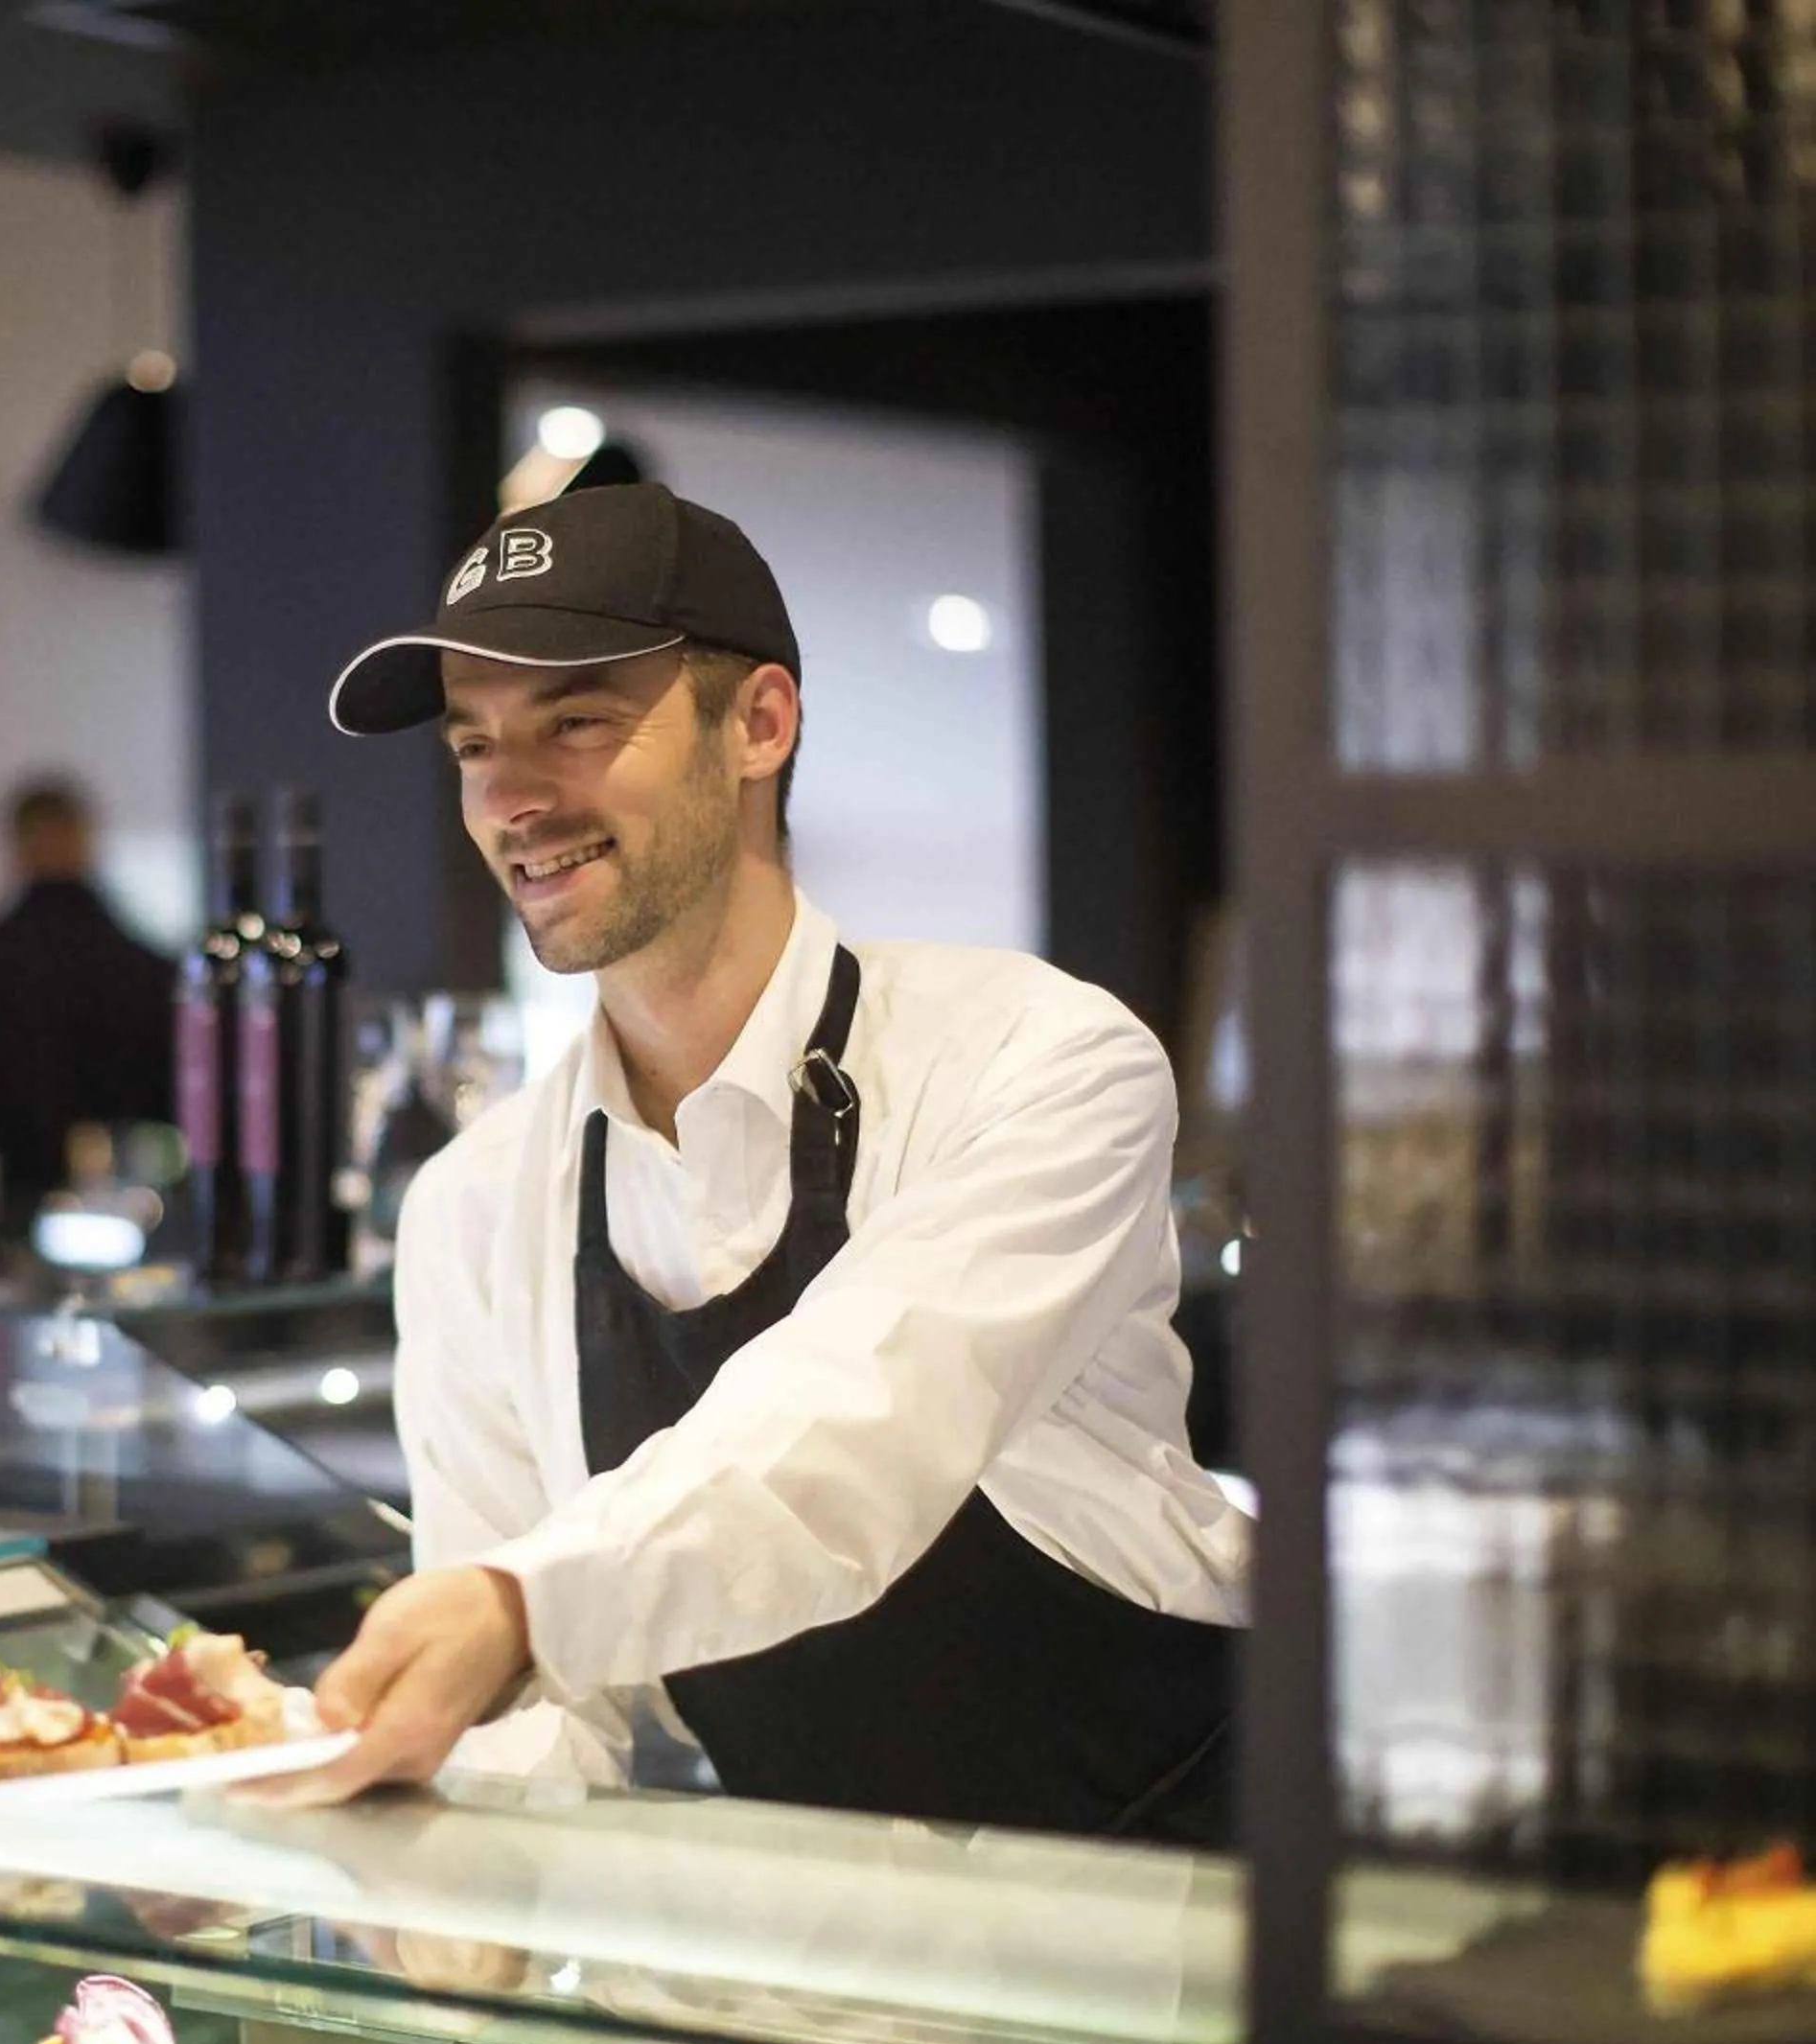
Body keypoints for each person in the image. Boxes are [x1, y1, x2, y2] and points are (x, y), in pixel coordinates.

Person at [254, 482, 1250, 1843]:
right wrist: (431, 1906)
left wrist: (519, 1605)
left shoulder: (1038, 1056)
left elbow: (858, 1426)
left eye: (579, 722)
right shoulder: (476, 1207)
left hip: (1174, 1905)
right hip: (819, 1957)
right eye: (475, 745)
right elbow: (543, 1718)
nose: (515, 799)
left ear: (760, 724)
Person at [0, 777, 177, 1245]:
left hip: (3, 1219)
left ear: (14, 846)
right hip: (131, 1218)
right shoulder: (148, 967)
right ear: (87, 839)